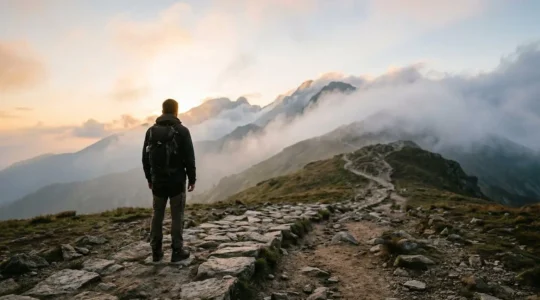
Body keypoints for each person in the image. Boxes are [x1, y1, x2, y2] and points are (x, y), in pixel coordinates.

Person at [142, 99, 196, 262]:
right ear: (176, 111)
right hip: (177, 181)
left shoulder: (151, 131)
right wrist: (192, 179)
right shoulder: (182, 131)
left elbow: (145, 158)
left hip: (158, 181)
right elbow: (189, 158)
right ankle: (177, 251)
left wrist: (149, 178)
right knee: (176, 216)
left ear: (162, 110)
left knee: (157, 214)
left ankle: (156, 252)